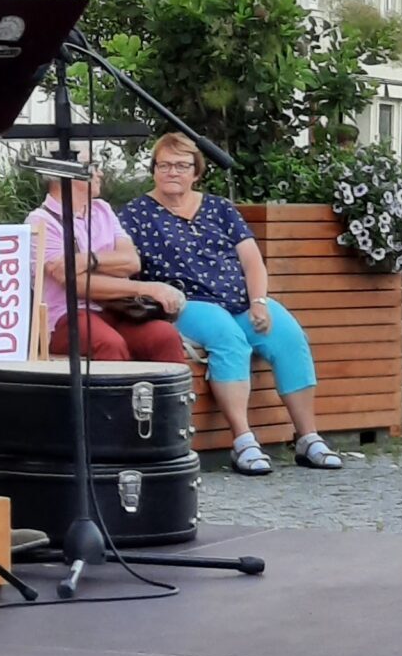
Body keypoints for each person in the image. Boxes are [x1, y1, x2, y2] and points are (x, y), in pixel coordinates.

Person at [119, 134, 343, 474]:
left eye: (181, 165)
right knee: (227, 337)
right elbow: (127, 267)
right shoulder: (135, 214)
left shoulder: (220, 208)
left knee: (288, 336)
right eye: (163, 165)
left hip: (238, 299)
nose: (171, 172)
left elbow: (252, 262)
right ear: (153, 170)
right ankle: (243, 440)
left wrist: (259, 301)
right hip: (186, 302)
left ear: (196, 172)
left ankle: (307, 436)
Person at [24, 165, 186, 366]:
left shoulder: (102, 209)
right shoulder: (40, 222)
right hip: (67, 317)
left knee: (164, 336)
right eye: (93, 167)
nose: (100, 173)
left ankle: (169, 397)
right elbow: (75, 283)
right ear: (68, 174)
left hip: (119, 309)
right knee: (109, 344)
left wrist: (88, 260)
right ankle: (118, 398)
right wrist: (146, 288)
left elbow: (132, 262)